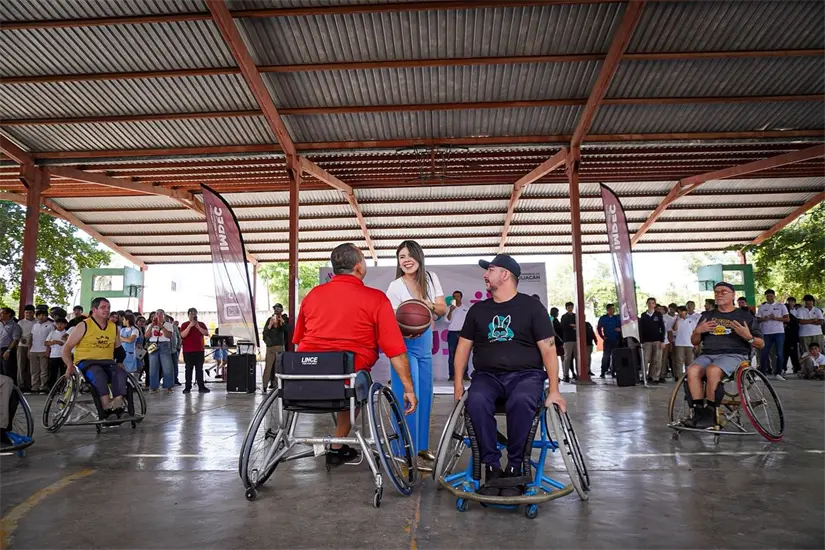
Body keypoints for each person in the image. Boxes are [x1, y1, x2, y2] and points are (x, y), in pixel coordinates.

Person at [294, 243, 417, 468]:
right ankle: (337, 444)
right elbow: (396, 351)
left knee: (346, 378)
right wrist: (408, 388)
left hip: (303, 377)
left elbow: (298, 339)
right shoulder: (376, 299)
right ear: (358, 267)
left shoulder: (313, 295)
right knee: (354, 384)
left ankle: (336, 446)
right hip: (347, 377)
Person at [454, 254, 565, 497]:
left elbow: (548, 349)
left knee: (522, 400)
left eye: (491, 270)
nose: (485, 275)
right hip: (487, 376)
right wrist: (458, 385)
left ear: (505, 275)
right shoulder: (478, 310)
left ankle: (516, 465)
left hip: (526, 375)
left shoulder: (532, 307)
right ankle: (492, 466)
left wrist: (555, 390)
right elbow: (462, 348)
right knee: (476, 401)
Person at [385, 240, 447, 471]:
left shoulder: (430, 278)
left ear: (419, 257)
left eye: (410, 255)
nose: (406, 260)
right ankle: (403, 453)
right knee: (408, 398)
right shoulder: (395, 286)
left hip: (425, 346)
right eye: (402, 256)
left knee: (426, 397)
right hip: (404, 346)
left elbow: (442, 309)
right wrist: (406, 326)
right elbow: (392, 318)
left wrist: (426, 304)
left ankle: (421, 447)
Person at [681, 282, 764, 429]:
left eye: (723, 292)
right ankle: (699, 413)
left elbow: (761, 344)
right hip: (708, 354)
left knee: (713, 370)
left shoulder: (744, 316)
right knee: (692, 370)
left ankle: (711, 414)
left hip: (734, 355)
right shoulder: (707, 315)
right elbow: (694, 342)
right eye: (716, 292)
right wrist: (698, 331)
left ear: (733, 295)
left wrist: (748, 336)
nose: (719, 294)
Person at [61, 297, 127, 414]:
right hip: (86, 362)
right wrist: (69, 365)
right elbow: (66, 348)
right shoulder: (83, 325)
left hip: (107, 362)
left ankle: (117, 404)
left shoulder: (113, 327)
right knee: (97, 373)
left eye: (108, 307)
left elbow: (118, 349)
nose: (107, 310)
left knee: (120, 372)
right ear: (94, 310)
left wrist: (120, 361)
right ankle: (106, 406)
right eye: (103, 307)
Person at [756, 289, 789, 380]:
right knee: (764, 353)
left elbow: (787, 319)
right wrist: (764, 318)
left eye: (771, 296)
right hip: (766, 333)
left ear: (774, 296)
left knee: (779, 353)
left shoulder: (781, 306)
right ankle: (762, 373)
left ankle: (778, 373)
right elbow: (758, 319)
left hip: (779, 332)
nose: (769, 298)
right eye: (767, 296)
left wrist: (775, 318)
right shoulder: (762, 307)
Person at [180, 308, 211, 394]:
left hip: (199, 350)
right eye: (191, 314)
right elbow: (183, 335)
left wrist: (198, 327)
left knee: (199, 369)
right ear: (188, 315)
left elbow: (206, 333)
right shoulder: (184, 324)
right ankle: (187, 387)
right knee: (188, 369)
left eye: (195, 314)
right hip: (188, 351)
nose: (193, 315)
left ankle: (201, 386)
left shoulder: (201, 324)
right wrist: (190, 326)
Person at [145, 309, 175, 393]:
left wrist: (161, 326)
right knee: (153, 366)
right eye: (157, 314)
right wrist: (152, 325)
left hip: (164, 344)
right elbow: (146, 336)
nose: (158, 316)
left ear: (164, 316)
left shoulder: (168, 325)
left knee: (167, 366)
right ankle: (154, 386)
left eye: (160, 314)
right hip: (153, 344)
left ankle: (169, 386)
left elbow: (169, 336)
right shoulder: (150, 325)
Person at [262, 304, 288, 393]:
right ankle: (264, 385)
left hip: (279, 346)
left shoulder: (284, 319)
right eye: (275, 309)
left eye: (278, 308)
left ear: (281, 310)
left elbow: (288, 329)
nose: (276, 310)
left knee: (278, 367)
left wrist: (282, 321)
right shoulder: (270, 320)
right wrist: (270, 325)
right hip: (270, 347)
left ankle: (276, 386)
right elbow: (264, 334)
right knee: (268, 367)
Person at [28, 306, 55, 394]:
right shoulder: (34, 325)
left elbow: (51, 339)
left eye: (43, 315)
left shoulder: (51, 325)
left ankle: (43, 386)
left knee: (44, 370)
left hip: (44, 350)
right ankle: (34, 386)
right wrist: (29, 349)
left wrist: (48, 350)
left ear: (47, 316)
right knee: (34, 370)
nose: (41, 317)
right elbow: (31, 338)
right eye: (39, 315)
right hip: (33, 350)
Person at [640, 298, 665, 384]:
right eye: (649, 303)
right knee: (645, 359)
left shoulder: (658, 314)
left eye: (653, 303)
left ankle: (656, 377)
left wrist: (662, 341)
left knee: (657, 359)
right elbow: (641, 329)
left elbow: (662, 328)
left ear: (655, 304)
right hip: (646, 341)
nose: (651, 304)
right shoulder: (643, 315)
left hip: (657, 340)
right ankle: (644, 376)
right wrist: (641, 341)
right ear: (647, 304)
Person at [446, 290, 470, 382]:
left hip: (463, 333)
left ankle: (465, 374)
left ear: (461, 297)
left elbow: (469, 322)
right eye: (454, 296)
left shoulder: (466, 308)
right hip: (452, 333)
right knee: (452, 355)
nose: (456, 298)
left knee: (464, 354)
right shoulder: (449, 308)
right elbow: (446, 321)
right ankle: (452, 375)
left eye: (458, 296)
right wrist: (451, 311)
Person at [672, 306, 697, 379]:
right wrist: (676, 320)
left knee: (689, 361)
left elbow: (695, 332)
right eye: (678, 312)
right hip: (679, 343)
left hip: (690, 343)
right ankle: (680, 377)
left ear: (685, 311)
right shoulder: (677, 320)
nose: (679, 313)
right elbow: (674, 329)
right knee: (679, 361)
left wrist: (696, 343)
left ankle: (688, 376)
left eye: (680, 311)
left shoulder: (692, 320)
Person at [597, 303, 621, 378]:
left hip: (616, 339)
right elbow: (599, 328)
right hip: (607, 340)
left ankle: (613, 371)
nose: (612, 310)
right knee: (606, 356)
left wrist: (620, 329)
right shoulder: (603, 318)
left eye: (613, 309)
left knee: (614, 356)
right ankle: (603, 371)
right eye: (611, 309)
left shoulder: (617, 318)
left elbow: (622, 326)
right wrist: (602, 336)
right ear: (607, 310)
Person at [46, 317, 68, 390]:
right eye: (58, 324)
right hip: (54, 355)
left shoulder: (67, 333)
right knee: (53, 372)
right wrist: (54, 342)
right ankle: (51, 388)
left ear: (65, 324)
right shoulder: (52, 333)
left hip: (64, 356)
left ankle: (63, 387)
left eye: (61, 324)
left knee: (63, 372)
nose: (59, 325)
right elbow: (46, 343)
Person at [16, 305, 35, 392]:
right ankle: (21, 384)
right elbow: (17, 334)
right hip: (22, 346)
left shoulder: (37, 322)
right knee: (21, 365)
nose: (28, 314)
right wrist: (20, 339)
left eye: (30, 312)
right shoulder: (20, 322)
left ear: (33, 313)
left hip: (34, 347)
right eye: (26, 313)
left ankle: (30, 384)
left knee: (31, 366)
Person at [0, 308, 21, 380]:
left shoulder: (14, 325)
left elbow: (16, 339)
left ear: (8, 314)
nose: (0, 314)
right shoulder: (0, 324)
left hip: (7, 349)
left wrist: (8, 350)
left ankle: (12, 386)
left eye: (2, 313)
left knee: (8, 370)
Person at [560, 302, 577, 382]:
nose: (570, 308)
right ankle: (565, 374)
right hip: (567, 340)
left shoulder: (576, 316)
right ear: (566, 308)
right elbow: (563, 327)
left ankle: (577, 374)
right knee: (567, 357)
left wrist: (572, 326)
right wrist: (572, 326)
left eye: (571, 307)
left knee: (577, 357)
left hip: (576, 339)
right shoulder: (564, 317)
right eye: (569, 307)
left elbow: (579, 325)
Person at [784, 297, 801, 374]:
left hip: (791, 339)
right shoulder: (781, 318)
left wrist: (793, 341)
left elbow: (795, 330)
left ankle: (796, 368)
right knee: (784, 354)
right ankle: (783, 368)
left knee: (793, 354)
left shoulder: (793, 318)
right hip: (783, 339)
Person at [549, 307, 565, 372]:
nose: (558, 314)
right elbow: (555, 330)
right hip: (556, 340)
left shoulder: (552, 319)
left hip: (554, 340)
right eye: (557, 312)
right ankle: (563, 371)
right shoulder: (552, 319)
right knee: (560, 355)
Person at [169, 316, 182, 386]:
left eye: (170, 321)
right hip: (165, 350)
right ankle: (167, 380)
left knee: (175, 365)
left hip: (174, 350)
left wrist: (178, 345)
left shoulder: (174, 327)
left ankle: (175, 379)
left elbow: (178, 337)